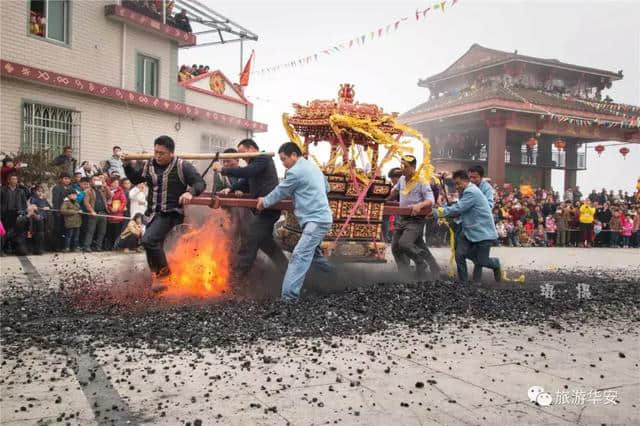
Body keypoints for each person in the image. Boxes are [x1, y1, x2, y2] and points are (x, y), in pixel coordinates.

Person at [257, 142, 333, 300]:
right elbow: (327, 188)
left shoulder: (295, 171)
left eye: (284, 159)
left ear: (293, 155)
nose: (283, 163)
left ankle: (288, 298)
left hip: (316, 221)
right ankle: (337, 279)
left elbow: (281, 191)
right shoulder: (313, 168)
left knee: (299, 255)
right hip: (321, 218)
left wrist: (264, 202)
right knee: (314, 256)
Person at [123, 135, 205, 282]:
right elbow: (136, 179)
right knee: (150, 245)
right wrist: (127, 165)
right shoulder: (149, 165)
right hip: (152, 214)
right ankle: (157, 277)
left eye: (162, 153)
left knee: (149, 241)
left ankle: (164, 274)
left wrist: (190, 192)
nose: (158, 156)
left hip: (171, 214)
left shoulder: (182, 166)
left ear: (171, 153)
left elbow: (200, 183)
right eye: (156, 152)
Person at [211, 139, 288, 281]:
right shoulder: (254, 164)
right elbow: (245, 182)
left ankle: (236, 279)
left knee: (249, 238)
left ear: (252, 148)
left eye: (242, 152)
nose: (241, 157)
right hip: (261, 209)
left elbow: (247, 172)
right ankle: (287, 271)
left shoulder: (263, 158)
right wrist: (232, 188)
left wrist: (223, 169)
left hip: (268, 209)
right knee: (266, 243)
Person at [433, 170, 501, 284]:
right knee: (460, 255)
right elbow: (458, 206)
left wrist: (438, 212)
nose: (456, 187)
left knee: (482, 261)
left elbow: (459, 208)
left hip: (483, 231)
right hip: (468, 229)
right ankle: (464, 282)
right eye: (455, 184)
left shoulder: (472, 191)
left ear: (466, 181)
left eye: (458, 184)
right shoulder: (465, 191)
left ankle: (495, 264)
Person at [387, 155, 440, 279]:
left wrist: (420, 205)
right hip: (402, 218)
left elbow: (430, 200)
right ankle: (405, 274)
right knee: (395, 247)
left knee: (405, 244)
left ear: (414, 167)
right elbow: (393, 192)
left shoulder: (421, 181)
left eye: (405, 167)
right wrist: (382, 198)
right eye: (402, 166)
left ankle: (421, 263)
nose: (403, 169)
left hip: (415, 219)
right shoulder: (401, 179)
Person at [82, 175, 111, 252]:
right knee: (91, 231)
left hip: (103, 213)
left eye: (98, 180)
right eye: (95, 179)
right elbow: (86, 202)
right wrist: (91, 211)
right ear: (91, 181)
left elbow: (109, 196)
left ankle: (98, 246)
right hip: (94, 213)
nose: (97, 181)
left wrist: (106, 186)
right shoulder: (89, 191)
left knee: (102, 231)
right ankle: (87, 246)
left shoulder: (102, 190)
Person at [1, 174, 27, 254]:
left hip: (17, 213)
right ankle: (4, 248)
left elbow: (24, 203)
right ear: (8, 180)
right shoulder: (3, 190)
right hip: (6, 213)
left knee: (15, 231)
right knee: (5, 231)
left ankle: (13, 248)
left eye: (16, 179)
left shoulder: (21, 191)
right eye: (12, 179)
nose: (14, 181)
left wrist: (22, 212)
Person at [51, 172, 72, 251]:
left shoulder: (70, 188)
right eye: (65, 179)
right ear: (61, 179)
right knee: (57, 230)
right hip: (59, 212)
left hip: (67, 213)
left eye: (68, 179)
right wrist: (57, 212)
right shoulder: (57, 188)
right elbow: (55, 201)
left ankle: (64, 246)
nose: (67, 180)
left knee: (65, 230)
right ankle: (56, 247)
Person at [105, 177, 127, 250]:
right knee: (109, 232)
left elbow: (124, 202)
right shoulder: (107, 191)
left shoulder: (120, 191)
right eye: (114, 183)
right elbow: (106, 202)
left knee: (117, 232)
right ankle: (108, 246)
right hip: (110, 214)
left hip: (118, 215)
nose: (116, 184)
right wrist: (110, 208)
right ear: (110, 183)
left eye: (117, 183)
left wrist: (118, 209)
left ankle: (116, 246)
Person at [382, 168, 402, 242]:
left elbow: (393, 195)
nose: (392, 180)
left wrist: (386, 200)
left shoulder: (404, 184)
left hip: (403, 209)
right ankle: (386, 237)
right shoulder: (394, 186)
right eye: (391, 179)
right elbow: (391, 196)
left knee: (397, 221)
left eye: (393, 178)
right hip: (395, 207)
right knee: (385, 217)